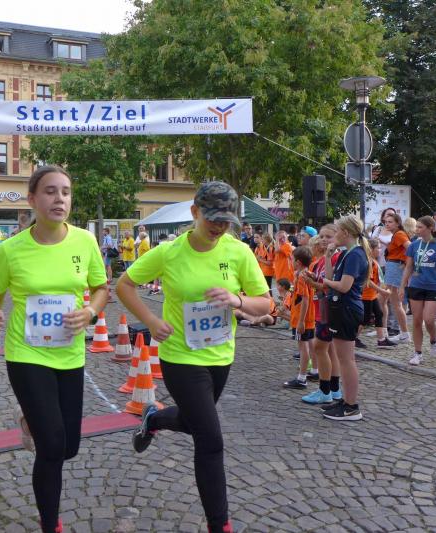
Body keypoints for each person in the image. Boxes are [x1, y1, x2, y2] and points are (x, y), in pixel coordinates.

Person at [117, 181, 271, 532]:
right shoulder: (169, 252)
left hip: (220, 356)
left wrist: (237, 300)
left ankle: (153, 419)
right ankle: (220, 524)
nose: (219, 227)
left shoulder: (238, 252)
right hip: (180, 357)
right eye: (212, 218)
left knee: (192, 421)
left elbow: (266, 304)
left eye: (226, 221)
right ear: (195, 213)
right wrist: (151, 320)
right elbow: (124, 284)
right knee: (210, 438)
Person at [0, 166, 108, 533]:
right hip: (26, 354)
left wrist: (90, 312)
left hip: (70, 353)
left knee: (69, 447)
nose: (59, 199)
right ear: (33, 199)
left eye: (65, 192)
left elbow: (101, 288)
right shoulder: (11, 250)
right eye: (50, 191)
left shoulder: (85, 241)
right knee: (52, 446)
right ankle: (50, 523)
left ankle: (29, 421)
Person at [319, 215, 370, 421]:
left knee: (347, 360)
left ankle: (351, 407)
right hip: (340, 307)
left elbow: (344, 286)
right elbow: (332, 278)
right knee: (343, 358)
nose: (334, 235)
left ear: (346, 232)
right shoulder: (346, 253)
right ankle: (346, 401)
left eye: (337, 231)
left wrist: (324, 282)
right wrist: (327, 257)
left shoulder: (355, 255)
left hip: (347, 309)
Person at [400, 216, 436, 366]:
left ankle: (434, 339)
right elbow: (409, 267)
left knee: (429, 319)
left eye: (420, 227)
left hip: (435, 286)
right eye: (416, 227)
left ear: (430, 228)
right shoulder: (414, 245)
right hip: (416, 285)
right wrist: (402, 286)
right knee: (417, 320)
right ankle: (418, 353)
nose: (417, 230)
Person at [300, 224, 345, 404]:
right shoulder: (322, 260)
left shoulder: (337, 258)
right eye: (322, 236)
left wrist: (312, 283)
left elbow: (330, 286)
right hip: (322, 308)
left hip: (329, 310)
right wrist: (312, 277)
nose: (324, 240)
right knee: (330, 350)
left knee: (319, 348)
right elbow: (322, 280)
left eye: (328, 236)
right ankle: (334, 389)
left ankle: (324, 390)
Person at [283, 246, 315, 390]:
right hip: (309, 317)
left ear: (298, 262)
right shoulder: (306, 274)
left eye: (292, 259)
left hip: (302, 318)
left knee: (303, 347)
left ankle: (301, 379)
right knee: (309, 344)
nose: (291, 261)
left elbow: (305, 299)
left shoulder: (302, 277)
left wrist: (301, 321)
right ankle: (314, 371)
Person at [382, 213, 411, 343]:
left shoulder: (399, 234)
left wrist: (406, 263)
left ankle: (404, 333)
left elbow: (410, 247)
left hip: (395, 267)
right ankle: (383, 330)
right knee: (386, 300)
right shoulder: (397, 234)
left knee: (396, 303)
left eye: (390, 222)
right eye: (386, 222)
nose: (387, 224)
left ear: (397, 223)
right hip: (393, 266)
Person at [359, 238, 392, 348]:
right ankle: (353, 338)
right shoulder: (369, 262)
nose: (380, 250)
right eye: (378, 248)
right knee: (365, 319)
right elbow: (368, 281)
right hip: (366, 296)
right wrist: (382, 291)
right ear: (371, 249)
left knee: (379, 314)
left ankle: (381, 340)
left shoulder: (373, 261)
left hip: (372, 295)